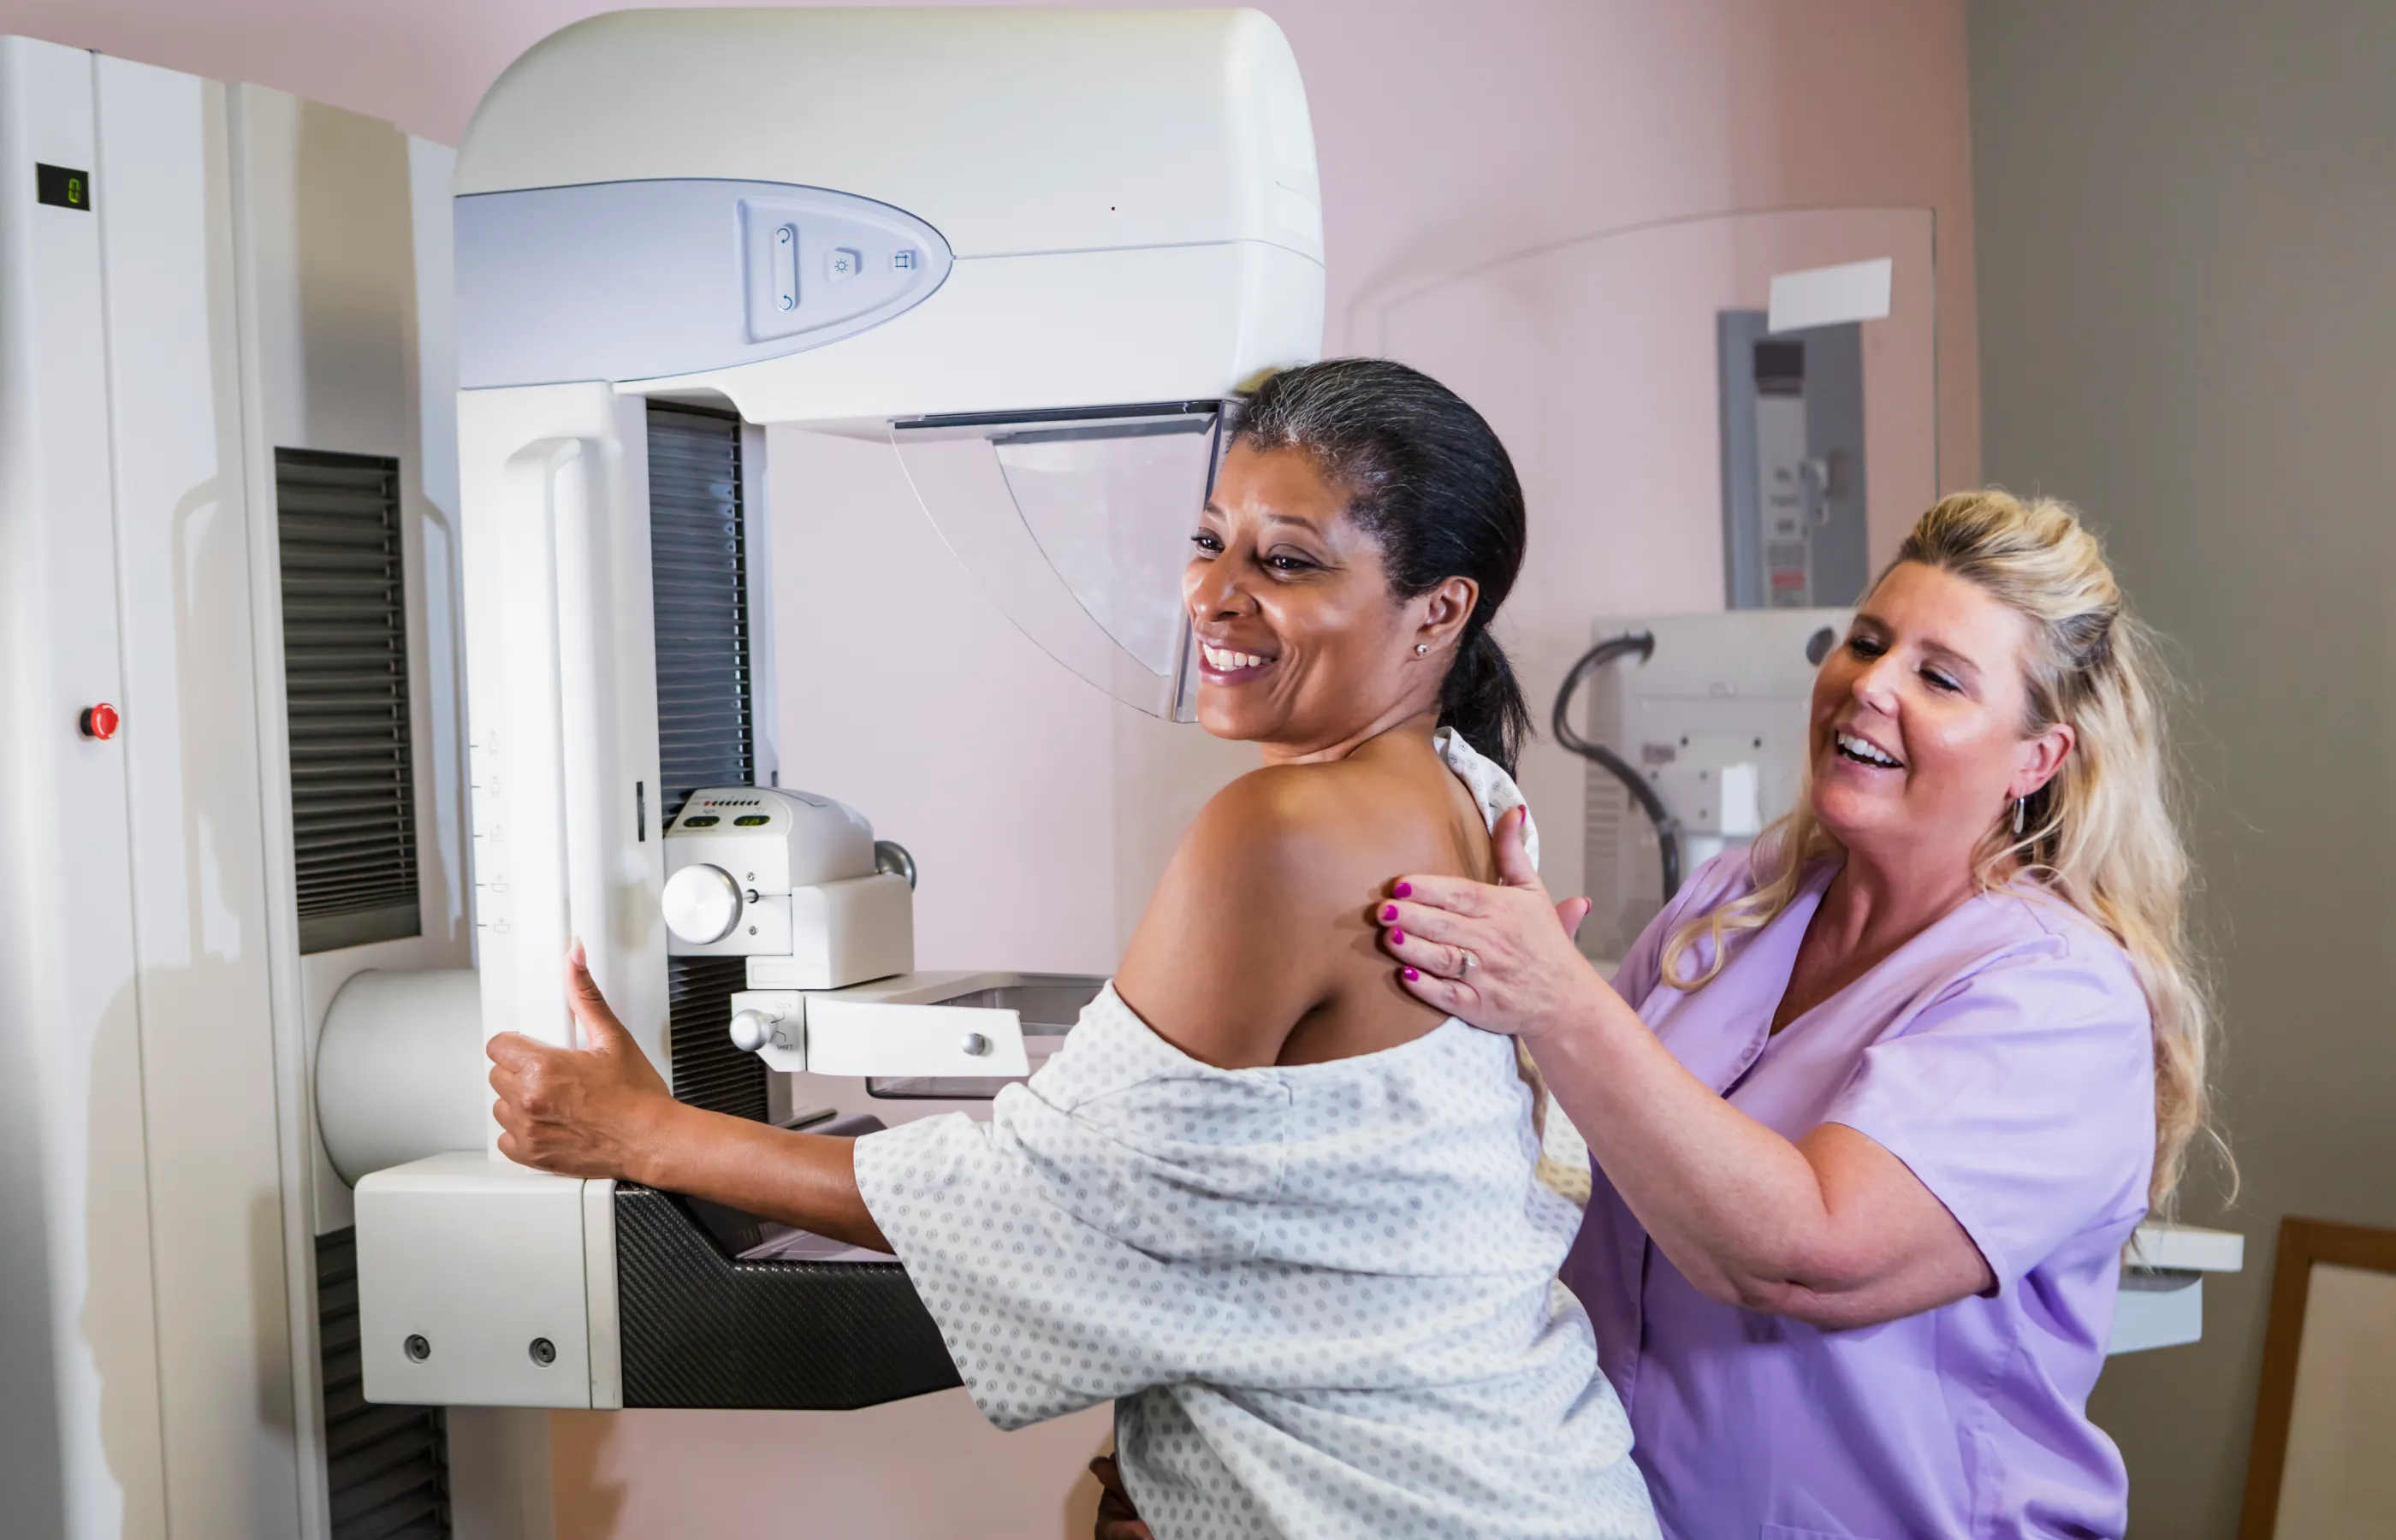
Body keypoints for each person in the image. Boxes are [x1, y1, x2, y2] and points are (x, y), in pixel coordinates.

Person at [489, 359, 1660, 1540]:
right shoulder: (1469, 788)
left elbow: (1044, 1204)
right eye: (1209, 542)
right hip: (1523, 1475)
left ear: (1439, 611)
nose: (1213, 596)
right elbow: (1287, 1211)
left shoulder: (1286, 828)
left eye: (1286, 562)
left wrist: (643, 1133)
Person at [1377, 490, 2210, 1539]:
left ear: (2034, 759)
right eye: (1866, 642)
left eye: (1939, 677)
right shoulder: (1740, 900)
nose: (1870, 685)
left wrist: (1560, 1001)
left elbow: (1802, 1255)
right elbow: (1567, 1156)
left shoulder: (2059, 999)